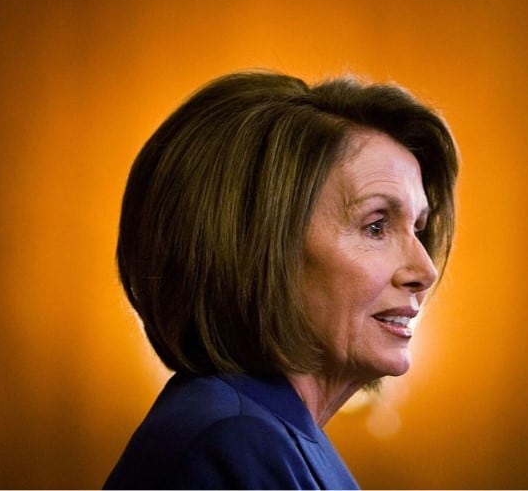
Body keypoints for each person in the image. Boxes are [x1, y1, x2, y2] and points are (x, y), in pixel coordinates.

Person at [104, 70, 458, 489]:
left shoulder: (265, 435)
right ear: (254, 245)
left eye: (417, 229)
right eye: (376, 226)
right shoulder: (229, 444)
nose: (425, 271)